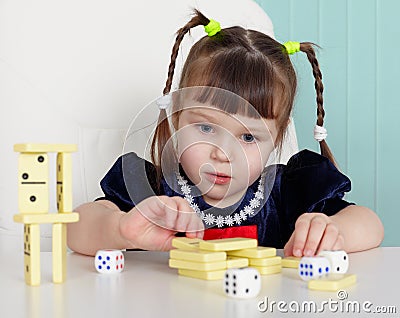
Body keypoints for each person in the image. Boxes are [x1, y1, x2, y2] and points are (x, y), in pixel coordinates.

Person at [67, 10, 384, 257]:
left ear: (276, 139)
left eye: (248, 138)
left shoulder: (288, 195)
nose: (222, 153)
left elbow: (371, 224)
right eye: (205, 128)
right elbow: (77, 228)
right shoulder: (154, 191)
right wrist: (120, 228)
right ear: (177, 119)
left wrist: (329, 229)